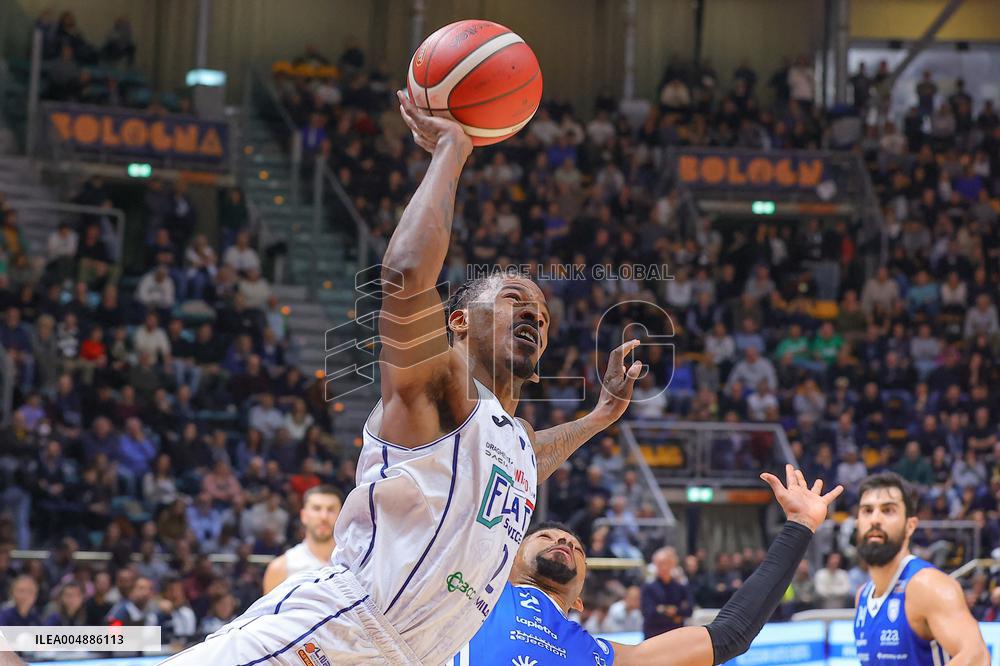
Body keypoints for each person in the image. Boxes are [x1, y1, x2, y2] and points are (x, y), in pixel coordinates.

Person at [163, 90, 642, 664]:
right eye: (516, 299)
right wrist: (452, 151)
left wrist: (601, 416)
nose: (535, 316)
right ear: (459, 322)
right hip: (337, 630)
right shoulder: (438, 385)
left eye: (542, 315)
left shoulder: (506, 438)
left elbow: (529, 459)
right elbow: (403, 278)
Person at [454, 465, 841, 664]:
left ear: (580, 601)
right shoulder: (466, 599)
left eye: (576, 546)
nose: (563, 541)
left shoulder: (604, 656)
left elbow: (729, 636)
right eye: (546, 537)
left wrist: (800, 526)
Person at [853, 472, 988, 664]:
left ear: (910, 525)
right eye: (867, 510)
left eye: (888, 510)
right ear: (858, 523)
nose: (875, 519)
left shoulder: (928, 585)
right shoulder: (862, 596)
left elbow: (977, 657)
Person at [261, 485, 342, 594]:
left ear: (341, 516)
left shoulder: (355, 563)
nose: (324, 516)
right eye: (317, 508)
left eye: (331, 509)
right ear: (304, 516)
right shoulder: (280, 568)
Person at [641, 546, 692, 637]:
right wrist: (675, 615)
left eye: (667, 563)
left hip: (675, 635)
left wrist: (662, 609)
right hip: (654, 635)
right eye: (660, 564)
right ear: (655, 565)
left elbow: (689, 610)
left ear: (673, 564)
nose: (664, 567)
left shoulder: (681, 587)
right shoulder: (648, 587)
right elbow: (649, 613)